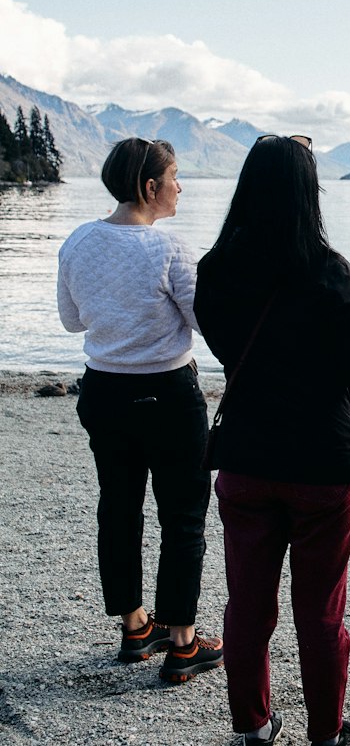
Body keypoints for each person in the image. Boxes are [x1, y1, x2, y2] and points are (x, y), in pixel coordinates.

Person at [194, 134, 350, 746]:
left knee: (247, 603)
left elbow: (222, 344)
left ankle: (253, 730)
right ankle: (326, 738)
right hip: (323, 465)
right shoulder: (331, 273)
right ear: (312, 194)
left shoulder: (216, 269)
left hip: (245, 458)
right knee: (320, 607)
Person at [57, 137, 222, 682]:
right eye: (175, 178)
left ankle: (134, 628)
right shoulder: (170, 248)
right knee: (182, 515)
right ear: (150, 188)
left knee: (119, 507)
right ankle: (182, 644)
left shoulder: (78, 241)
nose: (181, 187)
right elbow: (206, 323)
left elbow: (72, 321)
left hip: (103, 393)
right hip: (169, 395)